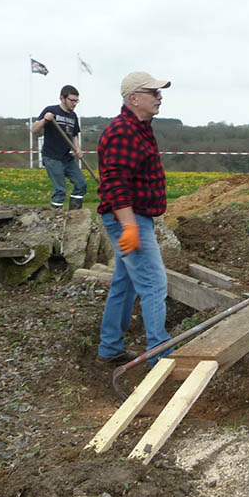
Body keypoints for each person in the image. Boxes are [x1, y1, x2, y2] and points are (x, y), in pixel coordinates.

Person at [95, 71, 174, 366]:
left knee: (125, 283)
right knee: (154, 283)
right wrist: (129, 226)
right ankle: (160, 357)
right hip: (129, 220)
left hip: (136, 218)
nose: (159, 97)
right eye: (153, 92)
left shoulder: (140, 127)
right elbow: (115, 184)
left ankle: (111, 348)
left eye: (159, 92)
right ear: (134, 98)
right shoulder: (121, 133)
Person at [31, 85, 87, 209]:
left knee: (81, 184)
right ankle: (56, 217)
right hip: (52, 157)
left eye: (76, 101)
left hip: (67, 157)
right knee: (60, 189)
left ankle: (74, 215)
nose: (74, 104)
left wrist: (77, 148)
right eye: (71, 100)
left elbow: (74, 135)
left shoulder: (73, 116)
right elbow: (34, 129)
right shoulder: (51, 110)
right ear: (62, 98)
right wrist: (45, 120)